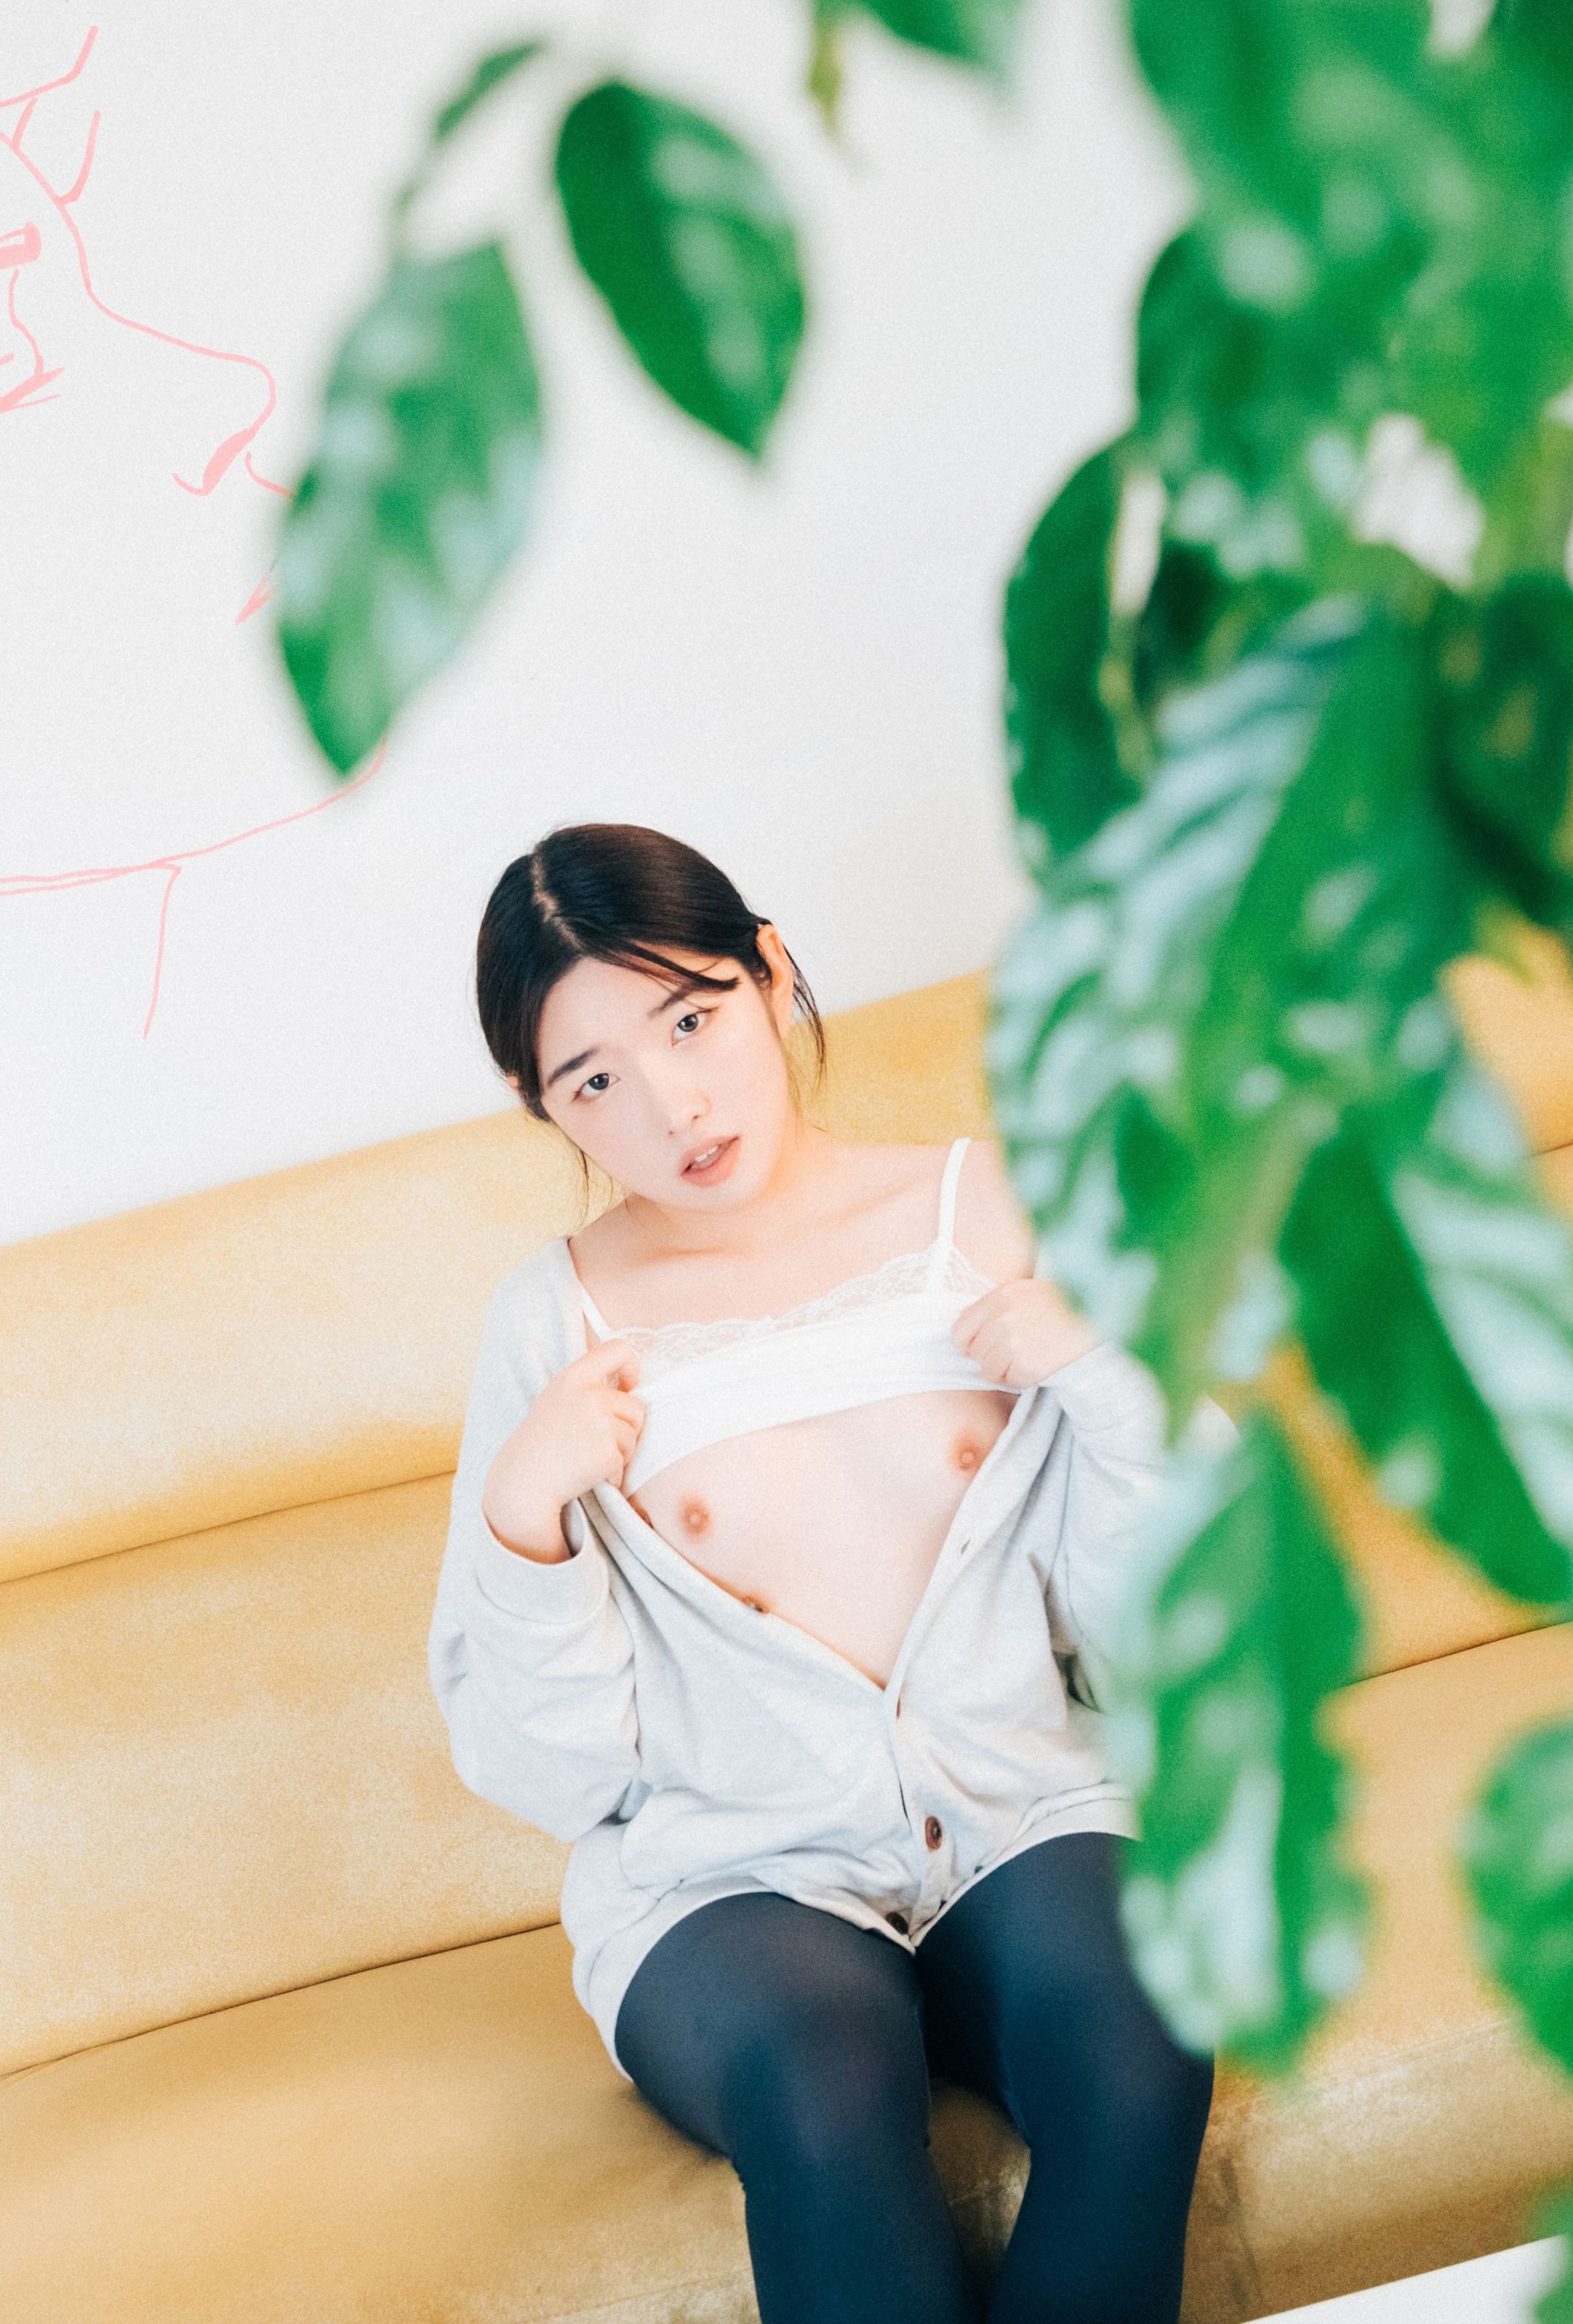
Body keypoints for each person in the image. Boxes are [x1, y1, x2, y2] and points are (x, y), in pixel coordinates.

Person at [427, 822, 1243, 2324]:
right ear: (541, 1105)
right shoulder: (552, 1327)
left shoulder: (991, 1213)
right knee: (823, 2088)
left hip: (1023, 1812)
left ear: (770, 968)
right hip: (730, 1883)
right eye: (593, 1080)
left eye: (691, 1018)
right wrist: (523, 1517)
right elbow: (554, 1773)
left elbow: (1164, 1633)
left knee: (1144, 2035)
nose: (671, 1105)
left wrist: (1112, 1382)